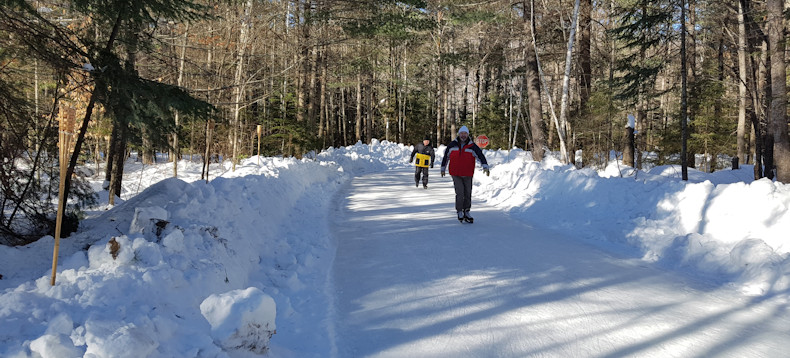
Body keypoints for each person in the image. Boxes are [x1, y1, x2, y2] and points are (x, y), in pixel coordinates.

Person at [440, 126, 489, 223]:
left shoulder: (472, 146)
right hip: (455, 173)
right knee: (460, 192)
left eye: (465, 133)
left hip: (468, 173)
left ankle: (466, 211)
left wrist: (485, 166)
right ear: (459, 134)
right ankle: (459, 211)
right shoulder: (452, 145)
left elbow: (480, 156)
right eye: (461, 133)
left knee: (468, 193)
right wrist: (443, 168)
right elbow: (446, 157)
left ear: (467, 134)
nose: (463, 135)